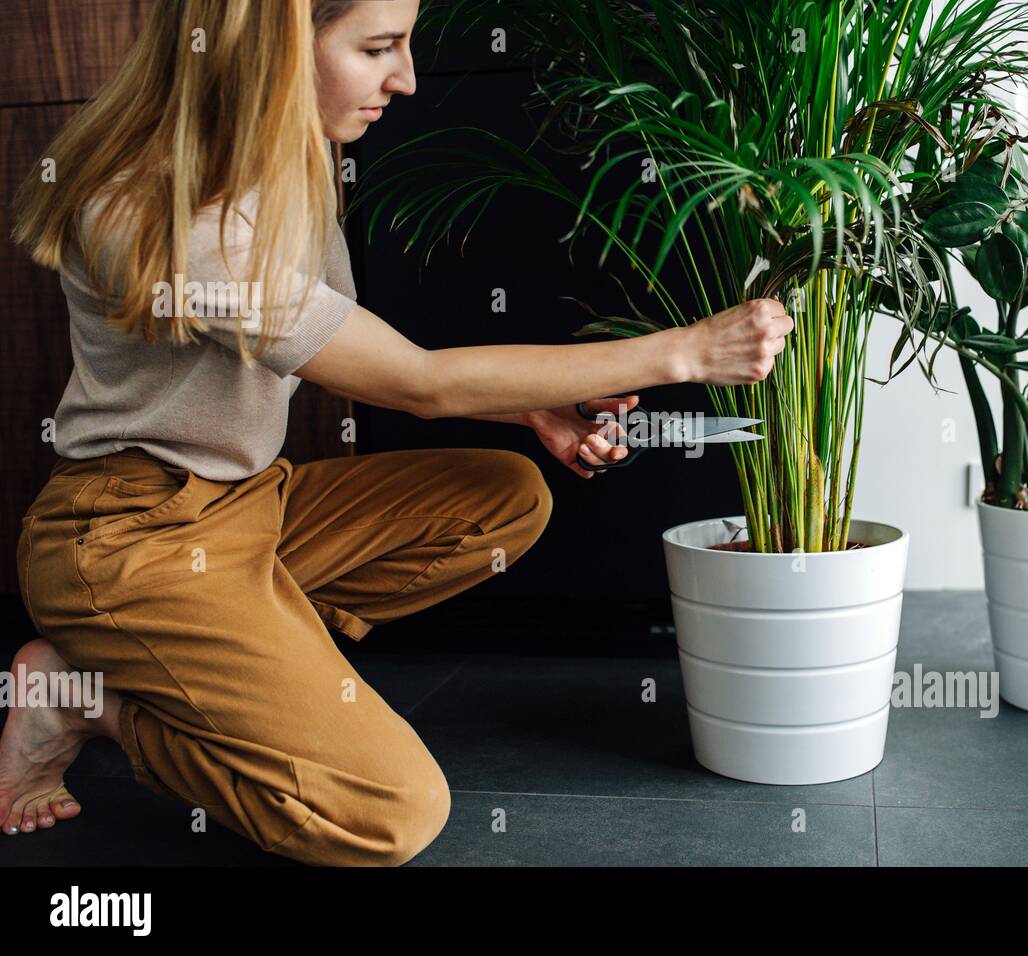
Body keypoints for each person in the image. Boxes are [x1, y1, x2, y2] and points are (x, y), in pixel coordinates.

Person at [1, 0, 791, 865]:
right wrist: (682, 354)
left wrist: (527, 409)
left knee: (504, 496)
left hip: (247, 511)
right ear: (266, 47)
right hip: (132, 537)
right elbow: (418, 382)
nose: (406, 77)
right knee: (389, 813)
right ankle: (94, 702)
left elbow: (364, 356)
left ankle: (234, 654)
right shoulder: (164, 217)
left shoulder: (295, 163)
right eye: (378, 47)